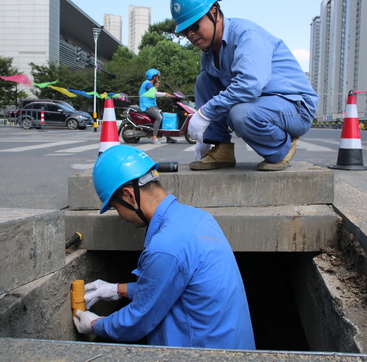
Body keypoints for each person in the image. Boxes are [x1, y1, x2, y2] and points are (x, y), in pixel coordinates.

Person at [73, 145, 255, 350]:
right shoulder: (198, 218)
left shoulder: (165, 247)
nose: (121, 216)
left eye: (116, 208)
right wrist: (116, 290)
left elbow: (137, 321)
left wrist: (95, 324)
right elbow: (171, 286)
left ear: (129, 196)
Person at [170, 0, 319, 171]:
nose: (190, 34)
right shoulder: (208, 53)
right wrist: (206, 136)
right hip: (260, 103)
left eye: (195, 26)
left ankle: (282, 147)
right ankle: (221, 147)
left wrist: (205, 113)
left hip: (294, 106)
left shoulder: (246, 34)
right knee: (204, 80)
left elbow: (249, 85)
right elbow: (210, 91)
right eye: (184, 31)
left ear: (214, 12)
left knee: (240, 114)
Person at [139, 68, 177, 144]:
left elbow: (153, 92)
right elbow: (154, 94)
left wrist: (156, 87)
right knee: (158, 117)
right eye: (157, 77)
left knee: (163, 117)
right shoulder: (147, 84)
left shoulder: (149, 84)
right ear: (154, 77)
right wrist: (165, 94)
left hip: (152, 105)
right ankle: (154, 136)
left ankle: (168, 137)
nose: (158, 78)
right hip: (147, 106)